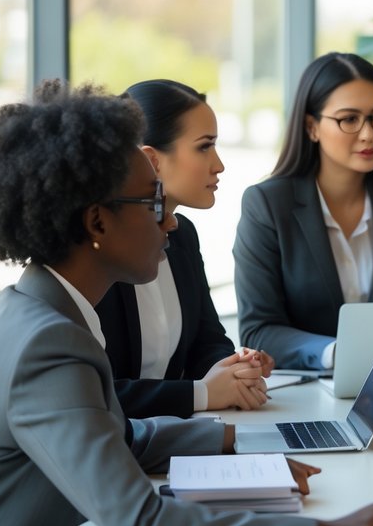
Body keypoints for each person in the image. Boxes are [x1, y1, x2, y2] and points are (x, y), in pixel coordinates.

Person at [0, 82, 373, 526]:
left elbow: (120, 435)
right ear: (97, 224)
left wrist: (234, 446)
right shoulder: (48, 345)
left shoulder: (41, 312)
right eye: (151, 204)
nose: (168, 223)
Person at [234, 52, 373, 370]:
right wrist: (336, 353)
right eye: (349, 119)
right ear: (311, 127)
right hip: (306, 390)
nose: (369, 133)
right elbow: (259, 330)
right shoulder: (267, 204)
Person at [97, 79, 272, 419]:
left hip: (172, 437)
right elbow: (96, 393)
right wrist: (202, 393)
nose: (218, 164)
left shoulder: (183, 235)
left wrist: (235, 370)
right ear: (151, 160)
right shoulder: (98, 250)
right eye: (204, 147)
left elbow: (207, 340)